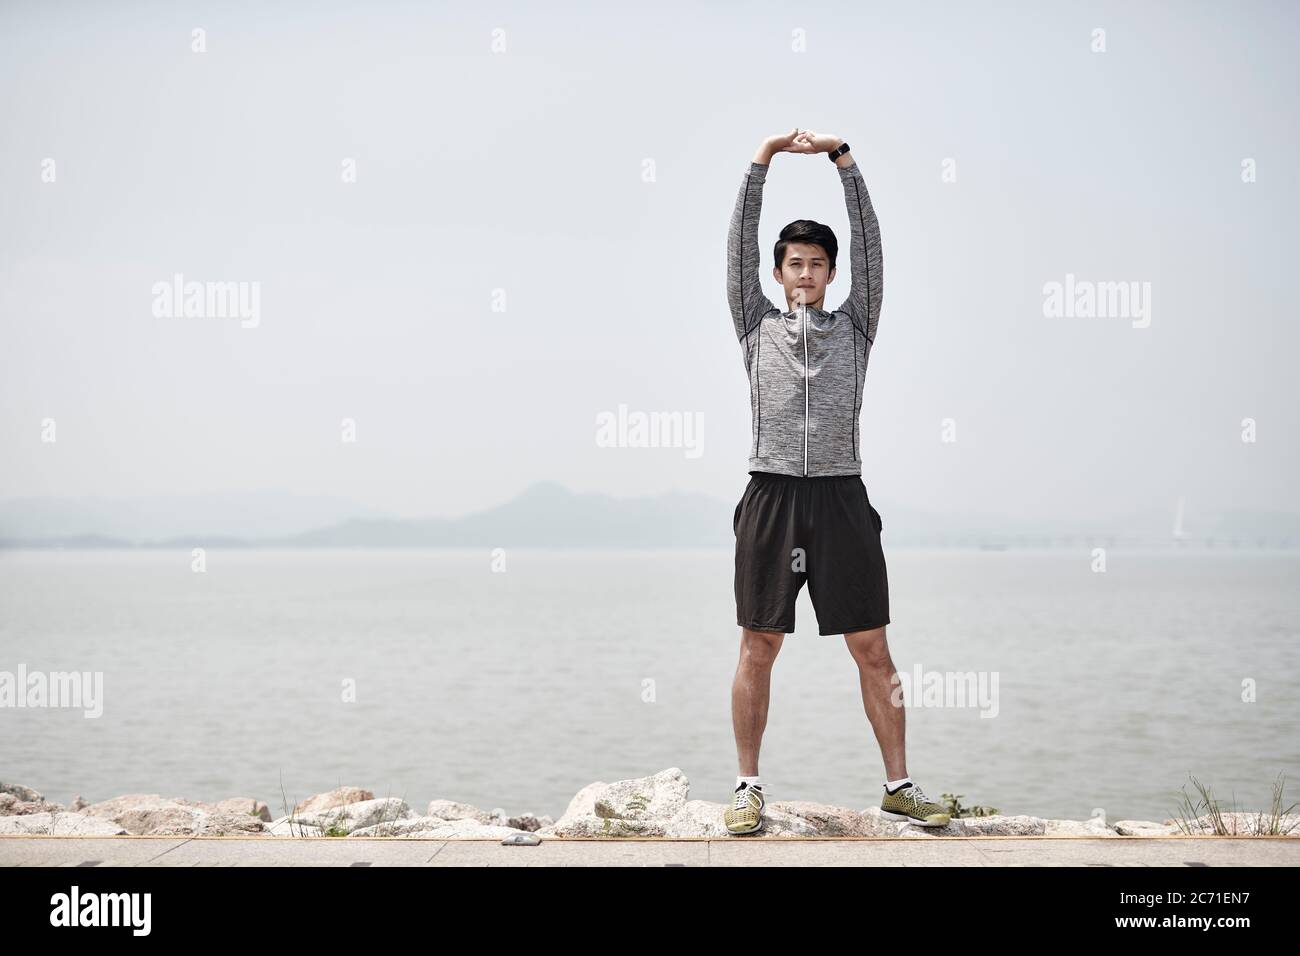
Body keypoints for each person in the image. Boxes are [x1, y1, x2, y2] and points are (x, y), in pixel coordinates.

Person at [722, 128, 949, 834]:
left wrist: (843, 161)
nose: (807, 274)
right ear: (778, 273)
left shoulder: (856, 326)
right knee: (759, 643)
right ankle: (747, 786)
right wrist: (761, 159)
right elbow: (738, 243)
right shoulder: (754, 325)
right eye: (795, 264)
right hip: (773, 495)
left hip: (843, 497)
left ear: (832, 275)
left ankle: (900, 785)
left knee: (873, 647)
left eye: (819, 265)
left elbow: (872, 245)